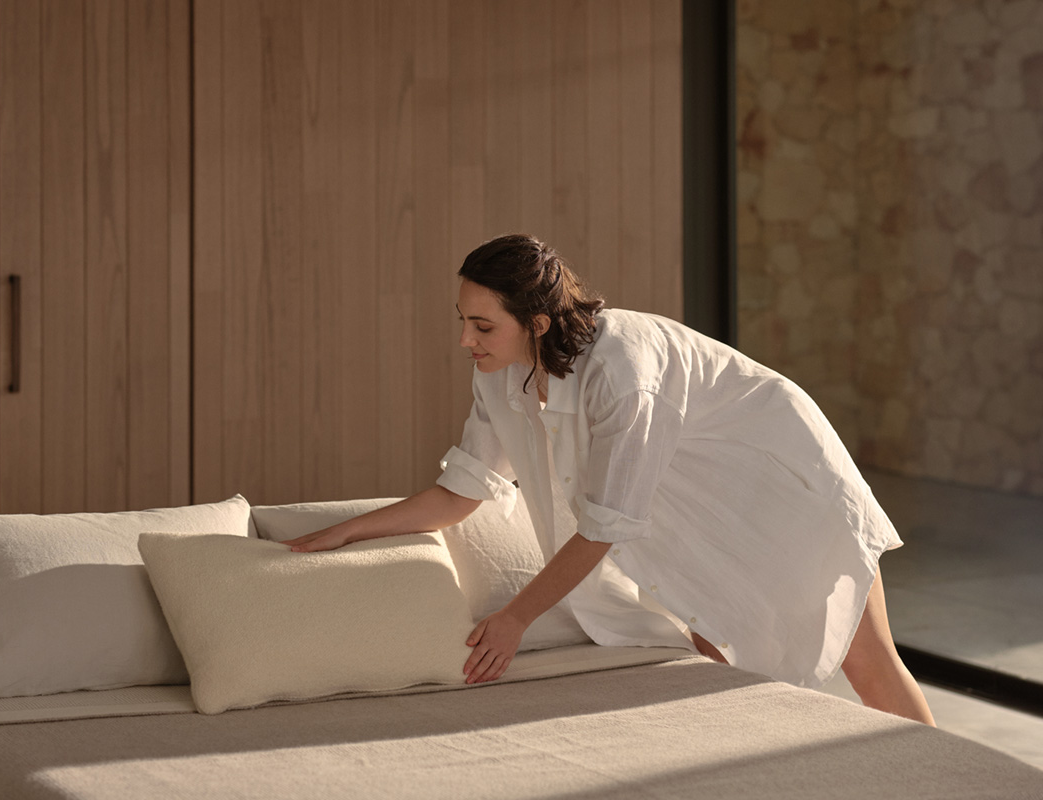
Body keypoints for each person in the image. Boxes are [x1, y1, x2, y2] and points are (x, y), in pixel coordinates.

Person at [286, 234, 936, 726]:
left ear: (536, 323)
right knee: (716, 667)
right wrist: (341, 533)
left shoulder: (622, 370)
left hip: (781, 491)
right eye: (463, 320)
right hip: (692, 516)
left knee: (869, 662)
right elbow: (463, 490)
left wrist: (516, 618)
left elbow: (602, 526)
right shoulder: (497, 373)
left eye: (481, 325)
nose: (465, 340)